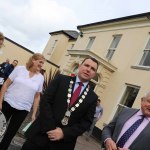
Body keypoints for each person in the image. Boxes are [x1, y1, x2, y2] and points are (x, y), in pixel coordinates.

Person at [21, 57, 99, 150]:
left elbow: (86, 123)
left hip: (63, 144)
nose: (88, 69)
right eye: (86, 65)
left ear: (94, 74)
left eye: (92, 69)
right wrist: (51, 128)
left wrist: (63, 133)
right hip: (40, 135)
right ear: (80, 66)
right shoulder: (61, 79)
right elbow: (45, 101)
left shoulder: (93, 97)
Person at [0, 53, 45, 150]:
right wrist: (0, 101)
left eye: (43, 63)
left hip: (23, 109)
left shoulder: (41, 78)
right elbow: (6, 84)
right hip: (8, 103)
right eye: (40, 62)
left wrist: (34, 114)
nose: (42, 65)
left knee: (10, 134)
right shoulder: (19, 69)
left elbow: (37, 97)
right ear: (33, 60)